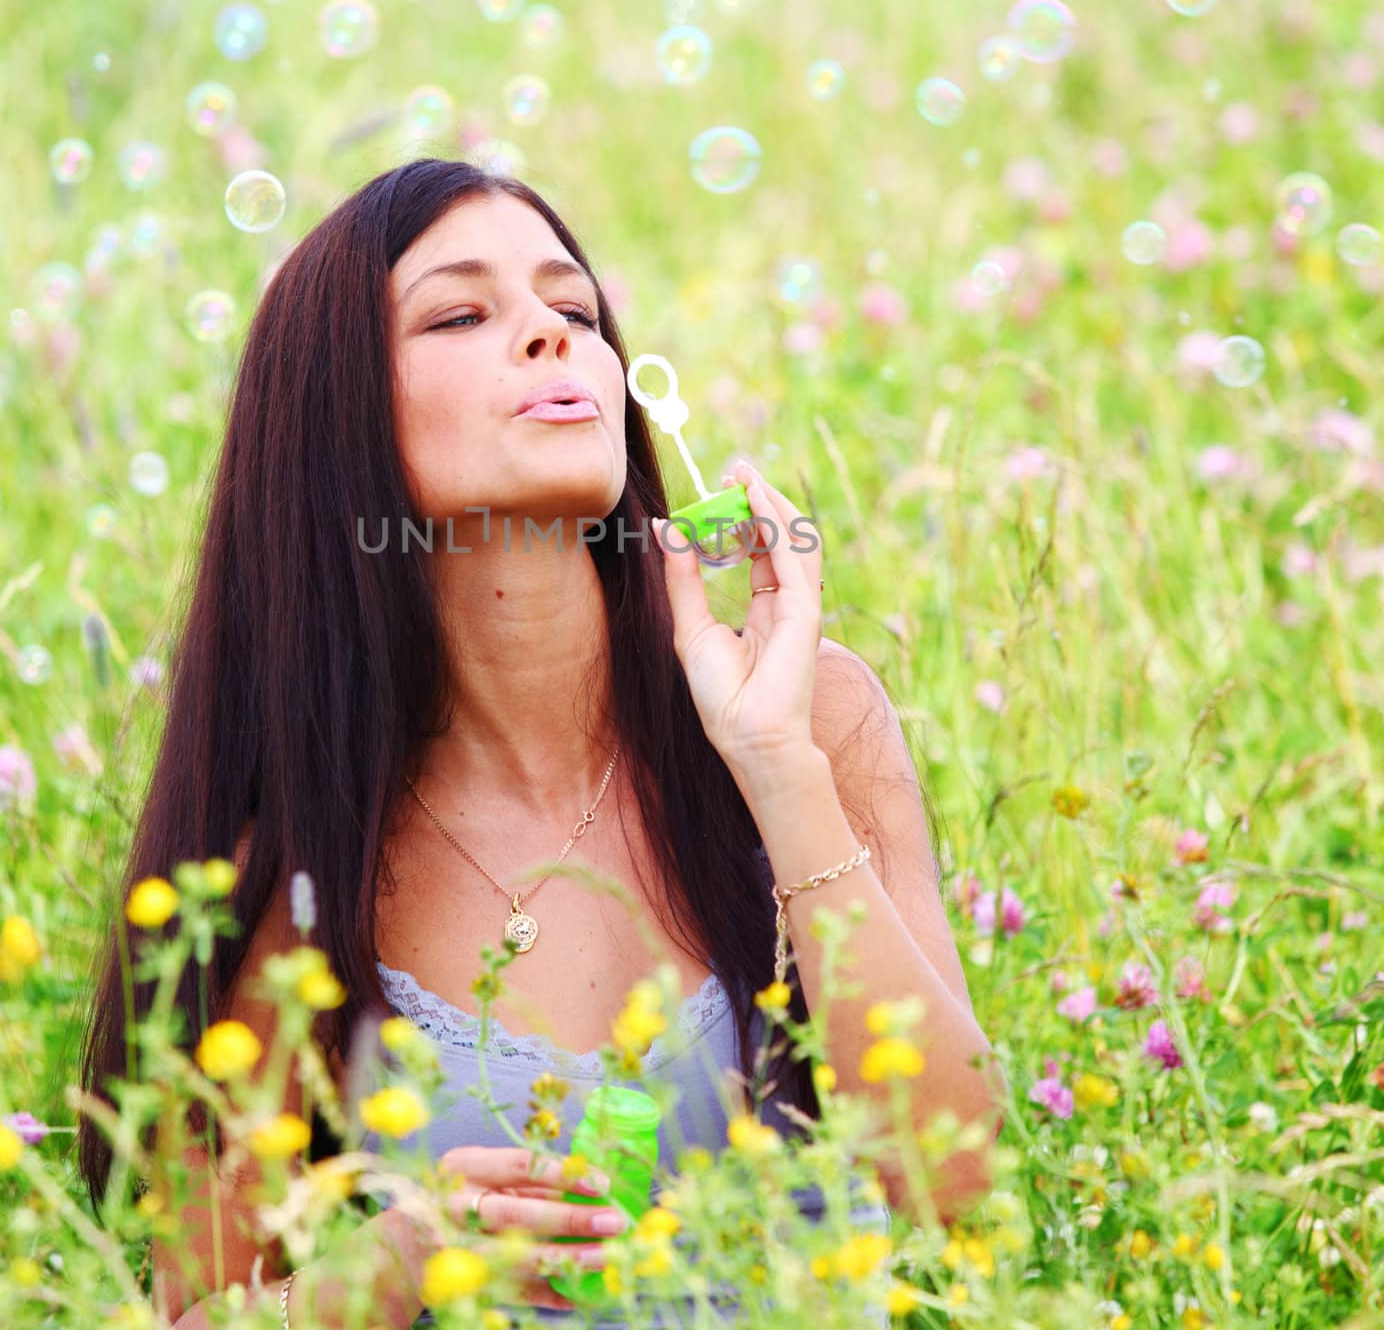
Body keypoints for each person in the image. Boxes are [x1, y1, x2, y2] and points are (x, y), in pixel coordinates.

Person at [77, 157, 1002, 1328]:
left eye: (573, 310)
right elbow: (190, 1310)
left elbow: (956, 1181)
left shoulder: (812, 716)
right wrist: (399, 1263)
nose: (551, 338)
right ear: (335, 421)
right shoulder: (300, 858)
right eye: (463, 313)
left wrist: (775, 766)